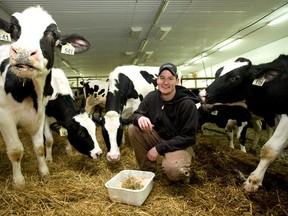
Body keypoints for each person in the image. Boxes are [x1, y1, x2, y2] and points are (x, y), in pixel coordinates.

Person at [128, 63, 199, 183]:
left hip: (180, 144)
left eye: (170, 78)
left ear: (177, 80)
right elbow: (136, 114)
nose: (165, 83)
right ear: (157, 80)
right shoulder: (151, 97)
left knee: (174, 171)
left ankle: (183, 170)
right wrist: (140, 118)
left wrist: (159, 148)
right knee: (133, 129)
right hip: (159, 137)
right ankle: (148, 172)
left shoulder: (187, 104)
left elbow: (188, 137)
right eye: (162, 78)